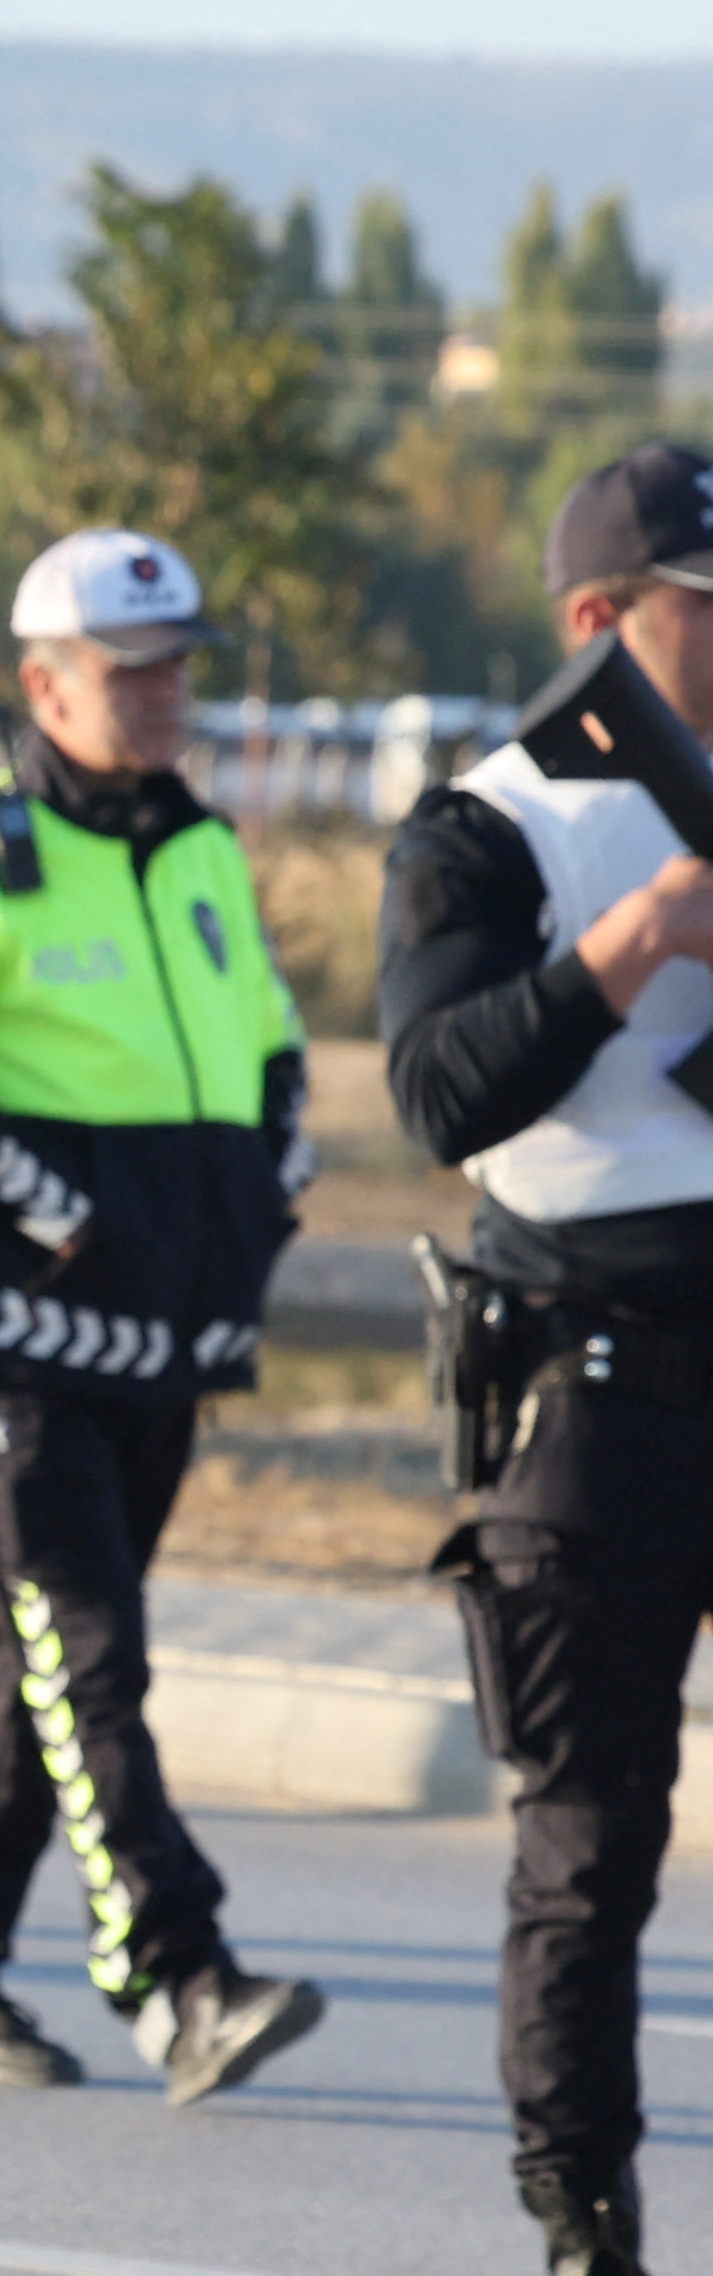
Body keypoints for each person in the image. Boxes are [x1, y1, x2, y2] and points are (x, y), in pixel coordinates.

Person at [0, 528, 325, 2104]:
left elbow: (272, 1056)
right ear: (45, 685)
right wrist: (67, 1213)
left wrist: (264, 1192)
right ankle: (179, 1980)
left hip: (169, 1338)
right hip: (17, 1349)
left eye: (179, 664)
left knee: (26, 1673)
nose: (167, 695)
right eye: (133, 672)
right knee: (91, 1661)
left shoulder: (205, 853)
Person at [382, 442, 713, 2276]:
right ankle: (582, 2224)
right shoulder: (480, 827)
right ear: (598, 623)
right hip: (590, 1394)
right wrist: (632, 941)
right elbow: (435, 1088)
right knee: (588, 1855)